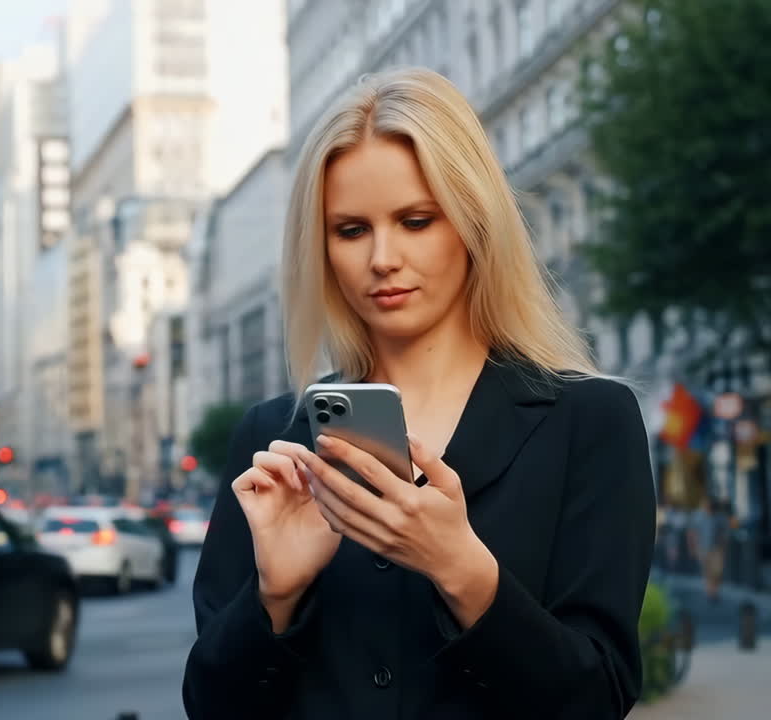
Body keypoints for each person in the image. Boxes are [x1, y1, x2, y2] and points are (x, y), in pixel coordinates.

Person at [182, 67, 656, 719]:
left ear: (471, 222)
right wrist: (276, 596)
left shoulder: (590, 422)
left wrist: (462, 569)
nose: (382, 257)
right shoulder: (273, 440)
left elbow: (596, 698)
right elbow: (212, 706)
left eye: (415, 220)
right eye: (351, 229)